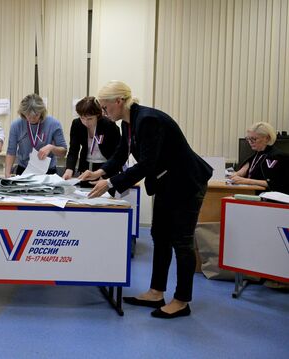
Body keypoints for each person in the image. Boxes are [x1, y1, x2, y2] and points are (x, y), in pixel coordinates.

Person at [79, 81, 212, 319]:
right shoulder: (129, 123)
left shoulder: (148, 120)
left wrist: (110, 183)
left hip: (186, 183)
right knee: (160, 237)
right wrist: (99, 172)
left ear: (119, 101)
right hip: (166, 184)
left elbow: (146, 164)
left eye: (105, 105)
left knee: (181, 242)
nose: (103, 111)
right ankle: (156, 292)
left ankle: (182, 300)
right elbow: (121, 154)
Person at [5, 94, 67, 177]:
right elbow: (11, 151)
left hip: (48, 172)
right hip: (24, 170)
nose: (32, 119)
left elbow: (63, 152)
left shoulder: (54, 124)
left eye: (36, 115)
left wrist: (51, 147)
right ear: (23, 113)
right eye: (28, 116)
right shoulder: (16, 125)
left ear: (42, 112)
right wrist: (7, 173)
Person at [63, 96, 121, 180]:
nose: (86, 122)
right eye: (82, 118)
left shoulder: (109, 125)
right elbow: (73, 150)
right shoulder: (77, 124)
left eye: (90, 119)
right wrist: (69, 169)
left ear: (97, 115)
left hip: (106, 166)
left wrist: (106, 173)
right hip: (86, 165)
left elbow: (117, 152)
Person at [229, 122, 289, 194]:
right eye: (248, 139)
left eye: (254, 139)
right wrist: (236, 175)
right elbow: (241, 172)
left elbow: (276, 183)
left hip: (269, 198)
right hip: (251, 194)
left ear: (267, 138)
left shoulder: (278, 156)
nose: (250, 142)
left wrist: (246, 181)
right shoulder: (256, 155)